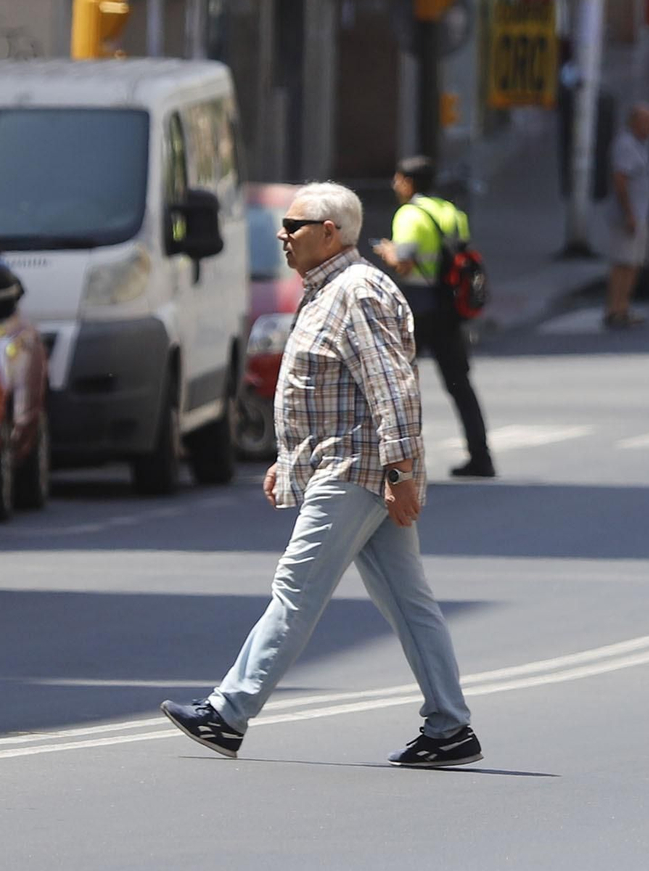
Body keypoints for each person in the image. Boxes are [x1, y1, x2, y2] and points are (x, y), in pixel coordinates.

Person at [160, 181, 481, 768]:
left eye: (293, 226)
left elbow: (391, 388)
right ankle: (449, 726)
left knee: (296, 588)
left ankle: (227, 714)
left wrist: (400, 473)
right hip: (347, 464)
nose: (282, 236)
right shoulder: (327, 289)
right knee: (408, 600)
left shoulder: (357, 291)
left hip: (356, 469)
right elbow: (326, 391)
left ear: (329, 233)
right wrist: (288, 460)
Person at [374, 157, 495, 479]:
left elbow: (404, 265)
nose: (394, 185)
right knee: (460, 384)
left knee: (397, 384)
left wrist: (387, 252)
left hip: (417, 306)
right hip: (448, 306)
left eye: (398, 179)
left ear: (407, 182)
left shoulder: (409, 215)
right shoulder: (451, 212)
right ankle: (481, 457)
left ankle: (398, 462)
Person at [604, 103, 649, 330]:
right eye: (647, 123)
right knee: (624, 262)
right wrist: (629, 214)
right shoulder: (626, 145)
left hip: (638, 213)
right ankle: (616, 308)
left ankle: (622, 307)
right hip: (629, 216)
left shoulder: (639, 145)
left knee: (632, 263)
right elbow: (620, 180)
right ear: (634, 122)